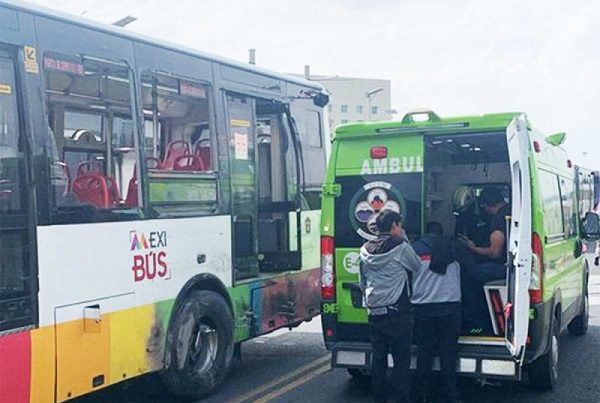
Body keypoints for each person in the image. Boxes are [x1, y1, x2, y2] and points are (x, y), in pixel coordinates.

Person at [359, 209, 421, 403]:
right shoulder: (400, 246)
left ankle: (379, 398)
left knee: (378, 359)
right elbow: (416, 266)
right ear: (394, 225)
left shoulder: (364, 249)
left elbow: (362, 282)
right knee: (401, 361)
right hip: (397, 312)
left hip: (375, 310)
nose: (401, 229)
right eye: (399, 225)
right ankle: (400, 399)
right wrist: (405, 239)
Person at [411, 222, 462, 403]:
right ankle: (451, 394)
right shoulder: (453, 247)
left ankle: (423, 393)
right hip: (449, 306)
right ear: (441, 233)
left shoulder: (414, 249)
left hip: (423, 307)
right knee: (448, 353)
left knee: (424, 353)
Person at [459, 186, 511, 334]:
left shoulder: (498, 219)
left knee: (467, 276)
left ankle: (475, 324)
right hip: (510, 265)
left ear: (488, 205)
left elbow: (495, 252)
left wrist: (472, 247)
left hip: (501, 267)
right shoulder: (511, 210)